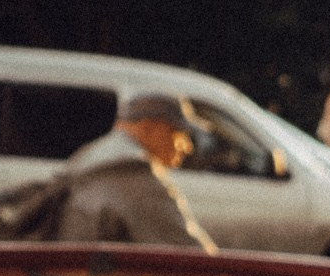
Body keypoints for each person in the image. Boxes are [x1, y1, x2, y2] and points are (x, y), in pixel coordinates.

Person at [55, 94, 216, 249]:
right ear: (147, 128)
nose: (187, 147)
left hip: (64, 270)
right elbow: (189, 259)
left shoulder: (91, 156)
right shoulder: (132, 173)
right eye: (179, 135)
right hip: (82, 274)